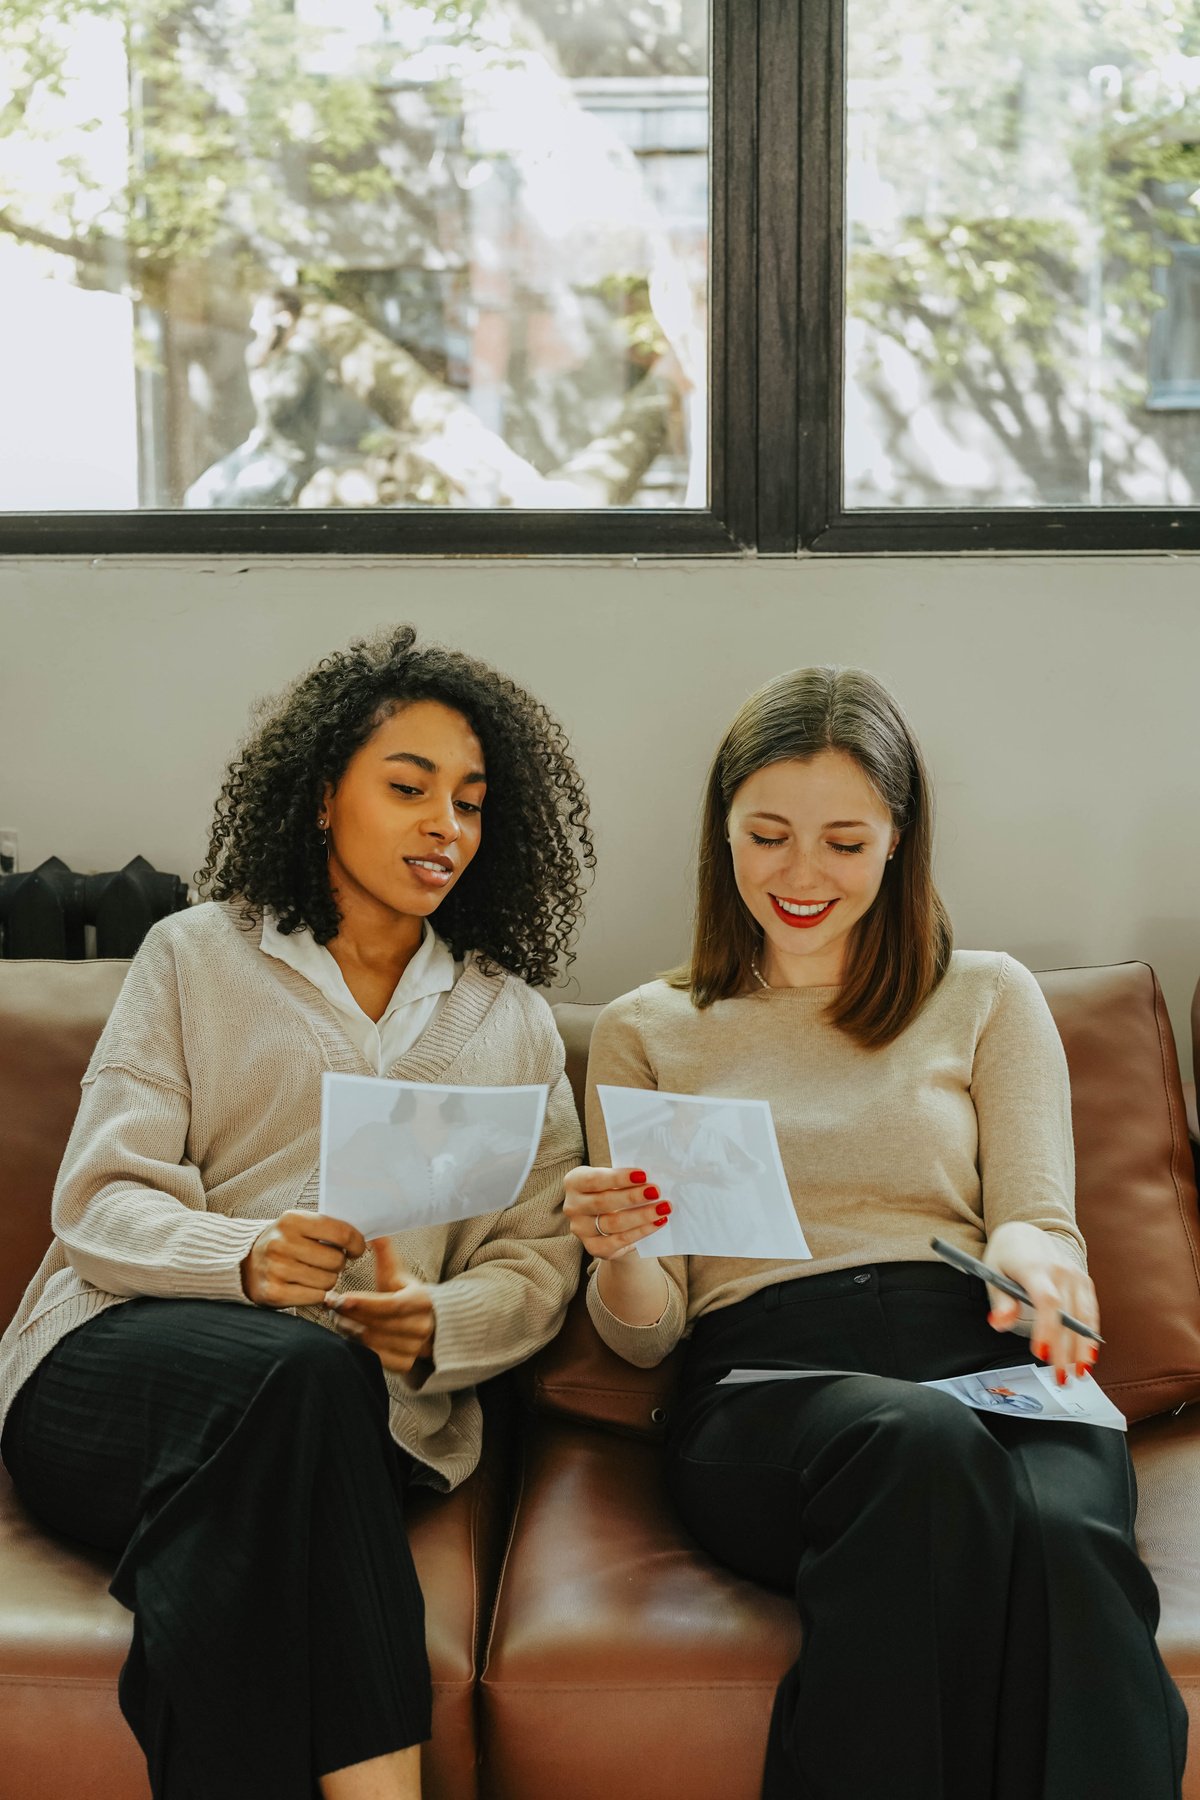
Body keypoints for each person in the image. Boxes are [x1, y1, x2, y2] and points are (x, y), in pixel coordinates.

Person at [562, 665, 1187, 1800]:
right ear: (724, 835)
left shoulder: (989, 996)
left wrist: (1042, 1277)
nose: (804, 876)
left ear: (899, 839)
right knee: (916, 1446)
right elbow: (648, 1338)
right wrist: (622, 1254)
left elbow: (1035, 1222)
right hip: (775, 1380)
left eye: (846, 843)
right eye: (769, 837)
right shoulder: (650, 1029)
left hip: (978, 1348)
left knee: (1064, 1542)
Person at [0, 624, 592, 1800]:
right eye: (409, 788)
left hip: (360, 1416)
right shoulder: (191, 959)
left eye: (471, 803)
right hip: (114, 1369)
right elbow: (100, 1201)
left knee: (307, 1410)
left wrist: (441, 1323)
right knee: (302, 1377)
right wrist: (247, 1257)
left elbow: (541, 1249)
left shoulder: (510, 1020)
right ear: (324, 799)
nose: (446, 827)